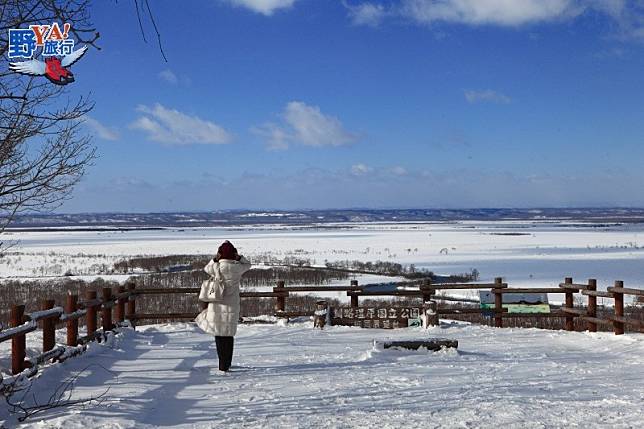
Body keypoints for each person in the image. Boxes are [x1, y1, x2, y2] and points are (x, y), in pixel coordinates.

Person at [195, 240, 251, 372]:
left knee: (219, 335)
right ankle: (228, 363)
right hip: (232, 307)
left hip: (217, 305)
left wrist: (215, 258)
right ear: (233, 254)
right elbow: (248, 264)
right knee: (229, 335)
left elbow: (206, 268)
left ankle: (222, 364)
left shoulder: (216, 267)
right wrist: (238, 257)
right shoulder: (237, 268)